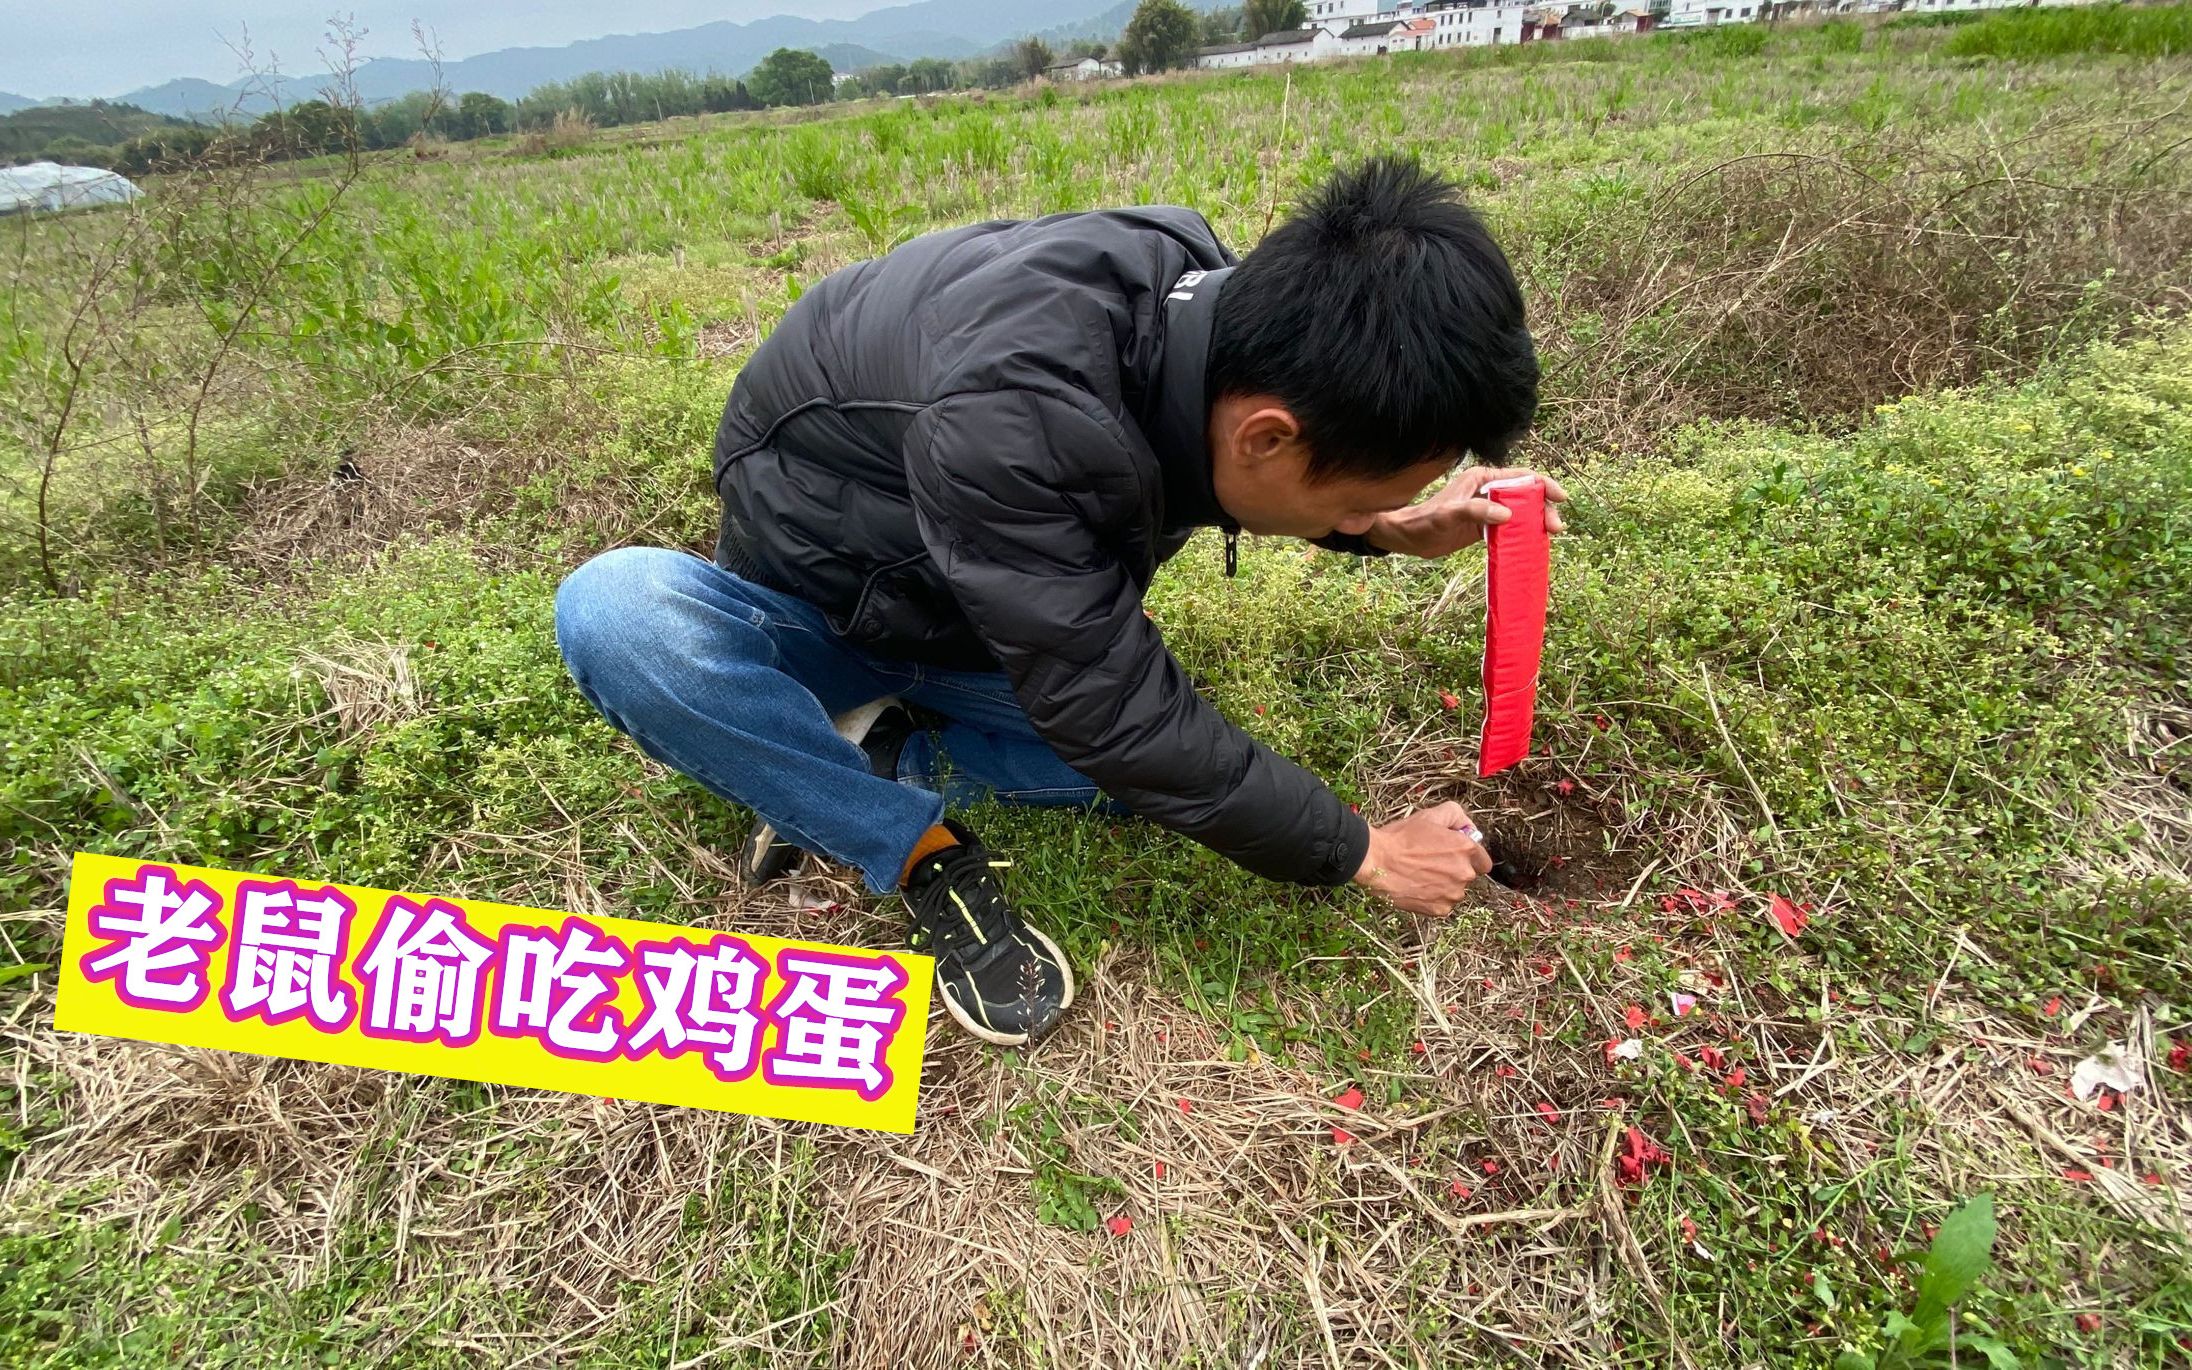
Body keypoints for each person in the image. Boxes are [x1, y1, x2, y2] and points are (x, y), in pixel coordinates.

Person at [554, 154, 1565, 1048]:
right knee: (618, 611)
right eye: (1355, 492)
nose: (1364, 511)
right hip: (821, 609)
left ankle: (884, 744)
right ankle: (909, 841)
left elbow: (1184, 499)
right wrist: (1362, 849)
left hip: (984, 614)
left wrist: (1375, 523)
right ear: (1266, 433)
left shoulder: (1198, 303)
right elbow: (1115, 706)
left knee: (1160, 777)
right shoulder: (1021, 406)